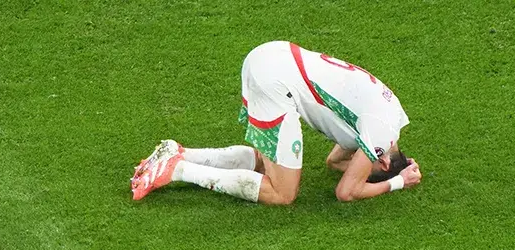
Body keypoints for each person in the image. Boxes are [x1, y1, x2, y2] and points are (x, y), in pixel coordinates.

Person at [131, 41, 422, 205]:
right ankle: (177, 170)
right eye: (371, 169)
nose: (362, 166)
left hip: (274, 57)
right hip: (275, 82)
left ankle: (179, 153)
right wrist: (397, 182)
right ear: (383, 162)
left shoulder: (391, 115)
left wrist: (377, 170)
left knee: (269, 161)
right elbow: (346, 191)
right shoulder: (381, 135)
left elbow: (334, 162)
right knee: (282, 193)